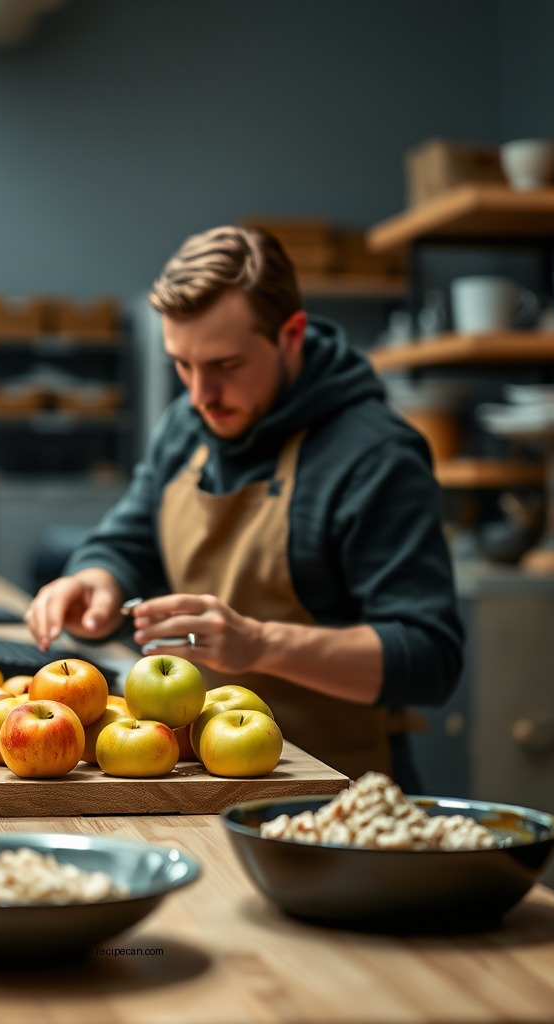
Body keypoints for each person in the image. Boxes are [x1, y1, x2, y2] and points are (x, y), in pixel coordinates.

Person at [24, 225, 463, 788]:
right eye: (182, 364)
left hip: (338, 796)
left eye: (226, 365)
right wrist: (97, 579)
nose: (200, 394)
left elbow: (429, 658)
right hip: (201, 785)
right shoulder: (187, 425)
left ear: (291, 335)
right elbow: (129, 540)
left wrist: (261, 645)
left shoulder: (376, 455)